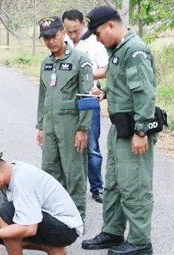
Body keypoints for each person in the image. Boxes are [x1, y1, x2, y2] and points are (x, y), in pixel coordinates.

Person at [81, 6, 157, 255]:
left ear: (111, 26)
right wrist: (104, 92)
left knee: (134, 184)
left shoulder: (135, 51)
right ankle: (112, 231)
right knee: (113, 183)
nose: (97, 39)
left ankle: (139, 240)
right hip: (119, 128)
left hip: (135, 128)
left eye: (98, 33)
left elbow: (144, 93)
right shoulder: (117, 50)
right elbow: (123, 85)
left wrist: (141, 131)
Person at [36, 16, 94, 219]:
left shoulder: (80, 59)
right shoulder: (46, 63)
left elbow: (87, 97)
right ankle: (55, 215)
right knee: (50, 170)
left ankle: (77, 216)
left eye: (53, 36)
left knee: (74, 171)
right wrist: (41, 126)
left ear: (62, 33)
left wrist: (83, 129)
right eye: (46, 38)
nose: (50, 41)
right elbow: (43, 96)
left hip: (71, 125)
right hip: (50, 125)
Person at [63, 9, 109, 203]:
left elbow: (106, 68)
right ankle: (69, 187)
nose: (72, 35)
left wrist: (85, 75)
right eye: (69, 31)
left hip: (88, 98)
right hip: (66, 100)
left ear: (83, 24)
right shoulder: (62, 40)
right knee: (67, 144)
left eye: (75, 30)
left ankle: (97, 187)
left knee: (91, 146)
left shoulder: (94, 42)